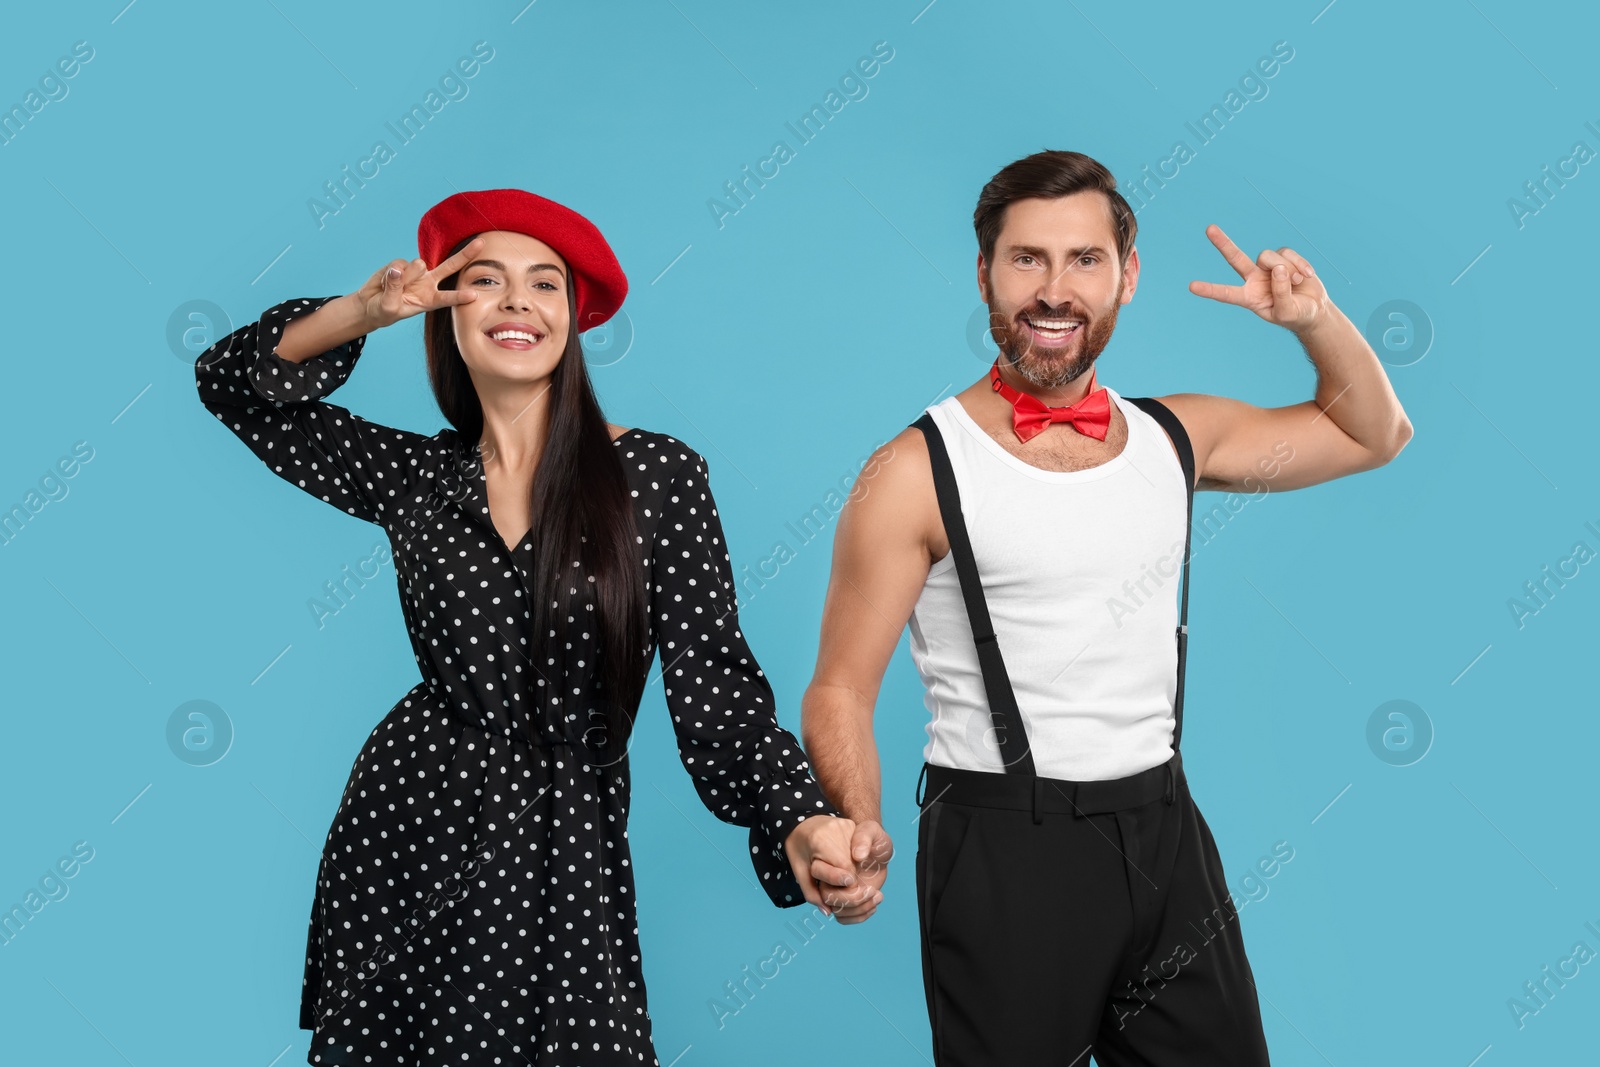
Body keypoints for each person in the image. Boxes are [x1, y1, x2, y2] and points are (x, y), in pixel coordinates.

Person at [194, 187, 871, 1066]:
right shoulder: (414, 477)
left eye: (545, 284)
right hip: (406, 832)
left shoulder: (657, 477)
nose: (518, 301)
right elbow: (229, 385)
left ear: (572, 319)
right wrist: (365, 311)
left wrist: (800, 819)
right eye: (486, 279)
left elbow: (718, 695)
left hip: (566, 845)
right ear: (447, 310)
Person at [801, 150, 1414, 1064]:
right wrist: (858, 819)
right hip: (1004, 846)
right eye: (1027, 260)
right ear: (984, 275)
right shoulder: (912, 472)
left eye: (1085, 260)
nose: (1055, 291)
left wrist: (1312, 321)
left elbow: (1372, 431)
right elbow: (841, 687)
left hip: (1166, 832)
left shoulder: (1176, 436)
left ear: (1128, 275)